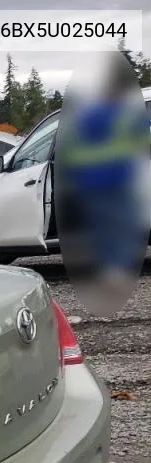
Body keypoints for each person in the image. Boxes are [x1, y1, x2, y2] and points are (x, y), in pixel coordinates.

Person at [55, 69, 151, 301]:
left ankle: (107, 273)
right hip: (119, 181)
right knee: (122, 228)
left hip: (92, 184)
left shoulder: (88, 115)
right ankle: (116, 273)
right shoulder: (130, 114)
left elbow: (70, 149)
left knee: (102, 229)